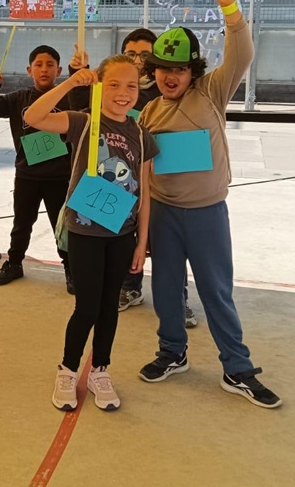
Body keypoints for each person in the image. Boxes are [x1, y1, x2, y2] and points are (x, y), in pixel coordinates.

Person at [138, 0, 281, 409]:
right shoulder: (148, 111)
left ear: (193, 71)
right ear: (154, 71)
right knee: (166, 289)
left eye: (179, 69)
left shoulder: (212, 91)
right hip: (163, 213)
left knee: (216, 290)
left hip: (207, 213)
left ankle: (237, 367)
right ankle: (172, 352)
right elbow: (138, 170)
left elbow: (242, 54)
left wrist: (230, 8)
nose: (170, 77)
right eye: (163, 69)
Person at [25, 55, 156, 412]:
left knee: (110, 307)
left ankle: (100, 369)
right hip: (84, 231)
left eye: (131, 86)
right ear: (98, 86)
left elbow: (144, 191)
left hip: (122, 233)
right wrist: (70, 83)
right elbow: (33, 117)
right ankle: (68, 369)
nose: (123, 93)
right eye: (113, 84)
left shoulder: (141, 135)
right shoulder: (83, 121)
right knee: (86, 307)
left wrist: (142, 242)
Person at [69, 29, 199, 326]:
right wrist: (78, 73)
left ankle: (179, 299)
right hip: (122, 182)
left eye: (144, 55)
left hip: (164, 179)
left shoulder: (164, 90)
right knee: (124, 236)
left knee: (167, 246)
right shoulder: (117, 88)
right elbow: (85, 108)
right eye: (131, 53)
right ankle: (130, 287)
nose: (138, 60)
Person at [0, 45, 75, 293]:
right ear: (29, 70)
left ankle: (71, 268)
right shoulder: (18, 99)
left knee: (62, 225)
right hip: (27, 175)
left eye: (50, 65)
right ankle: (14, 263)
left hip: (60, 177)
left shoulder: (68, 99)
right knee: (22, 223)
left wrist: (79, 71)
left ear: (59, 70)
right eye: (38, 65)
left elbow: (88, 102)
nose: (44, 69)